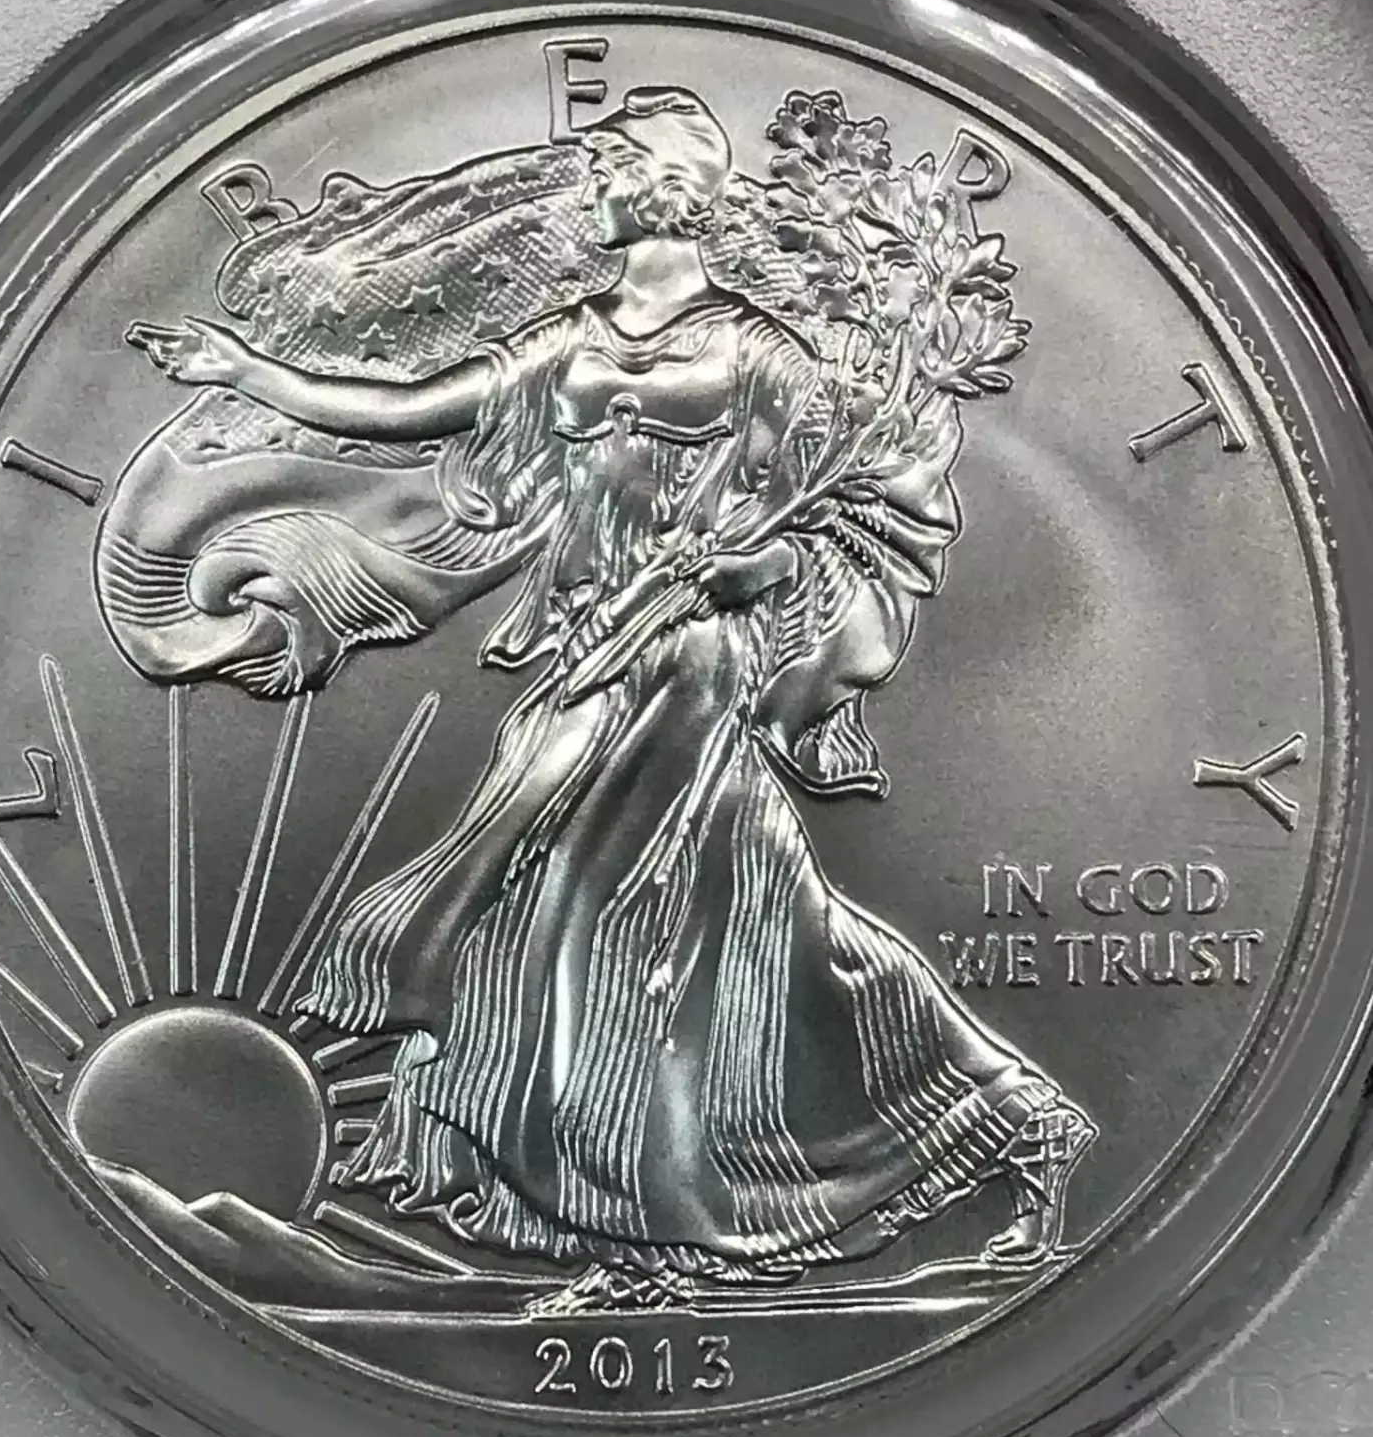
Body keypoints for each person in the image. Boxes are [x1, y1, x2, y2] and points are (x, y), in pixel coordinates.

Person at [131, 86, 1094, 1310]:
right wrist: (253, 373)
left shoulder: (760, 355)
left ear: (666, 188)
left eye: (606, 167)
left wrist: (757, 568)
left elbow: (851, 514)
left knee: (594, 917)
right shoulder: (570, 340)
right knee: (744, 925)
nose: (588, 186)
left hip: (692, 658)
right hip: (592, 643)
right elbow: (412, 413)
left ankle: (648, 1235)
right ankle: (1004, 1123)